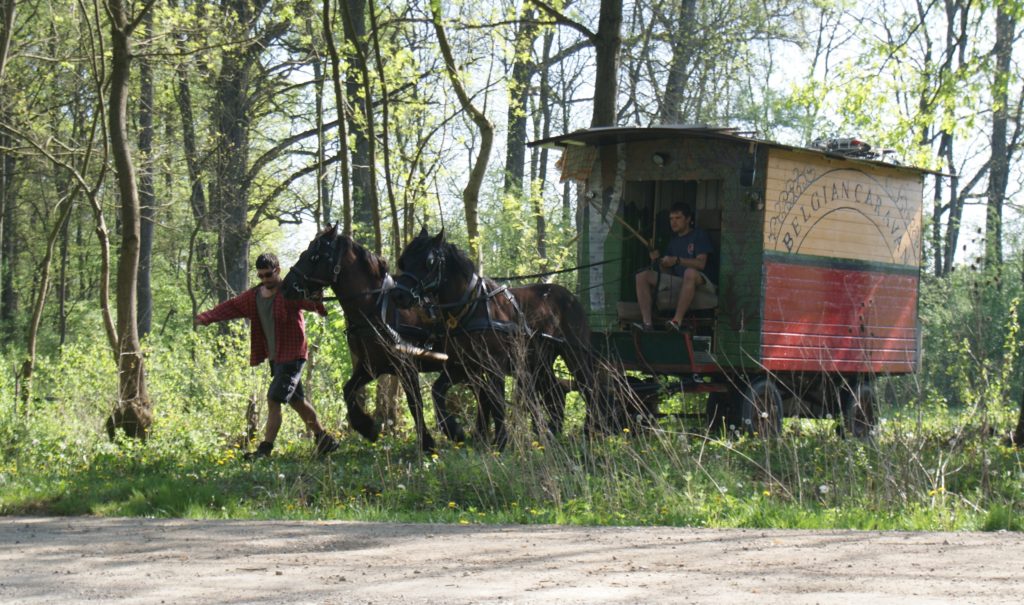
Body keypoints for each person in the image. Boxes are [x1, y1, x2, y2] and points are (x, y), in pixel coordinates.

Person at [194, 252, 338, 459]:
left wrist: (316, 301)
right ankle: (325, 440)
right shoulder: (254, 296)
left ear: (278, 270)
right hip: (276, 358)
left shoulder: (290, 291)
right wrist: (206, 317)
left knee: (273, 399)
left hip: (293, 355)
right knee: (297, 401)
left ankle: (264, 450)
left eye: (268, 275)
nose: (265, 279)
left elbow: (312, 304)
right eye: (260, 276)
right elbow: (232, 306)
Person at [634, 202, 716, 331]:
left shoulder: (699, 235)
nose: (674, 222)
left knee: (689, 272)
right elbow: (667, 272)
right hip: (680, 281)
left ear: (688, 219)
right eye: (671, 219)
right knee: (642, 276)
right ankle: (647, 324)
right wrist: (659, 261)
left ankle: (676, 321)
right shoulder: (673, 241)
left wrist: (677, 260)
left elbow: (701, 263)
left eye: (678, 218)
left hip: (702, 283)